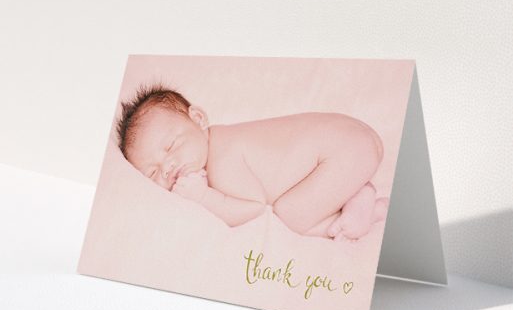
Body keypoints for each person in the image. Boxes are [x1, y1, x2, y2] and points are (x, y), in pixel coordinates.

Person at [116, 84, 389, 241]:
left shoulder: (223, 156)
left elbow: (253, 210)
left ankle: (358, 217)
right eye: (153, 172)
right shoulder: (224, 140)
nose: (167, 167)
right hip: (351, 142)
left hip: (346, 150)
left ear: (198, 119)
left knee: (289, 216)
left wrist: (202, 196)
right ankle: (357, 194)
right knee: (297, 203)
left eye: (171, 146)